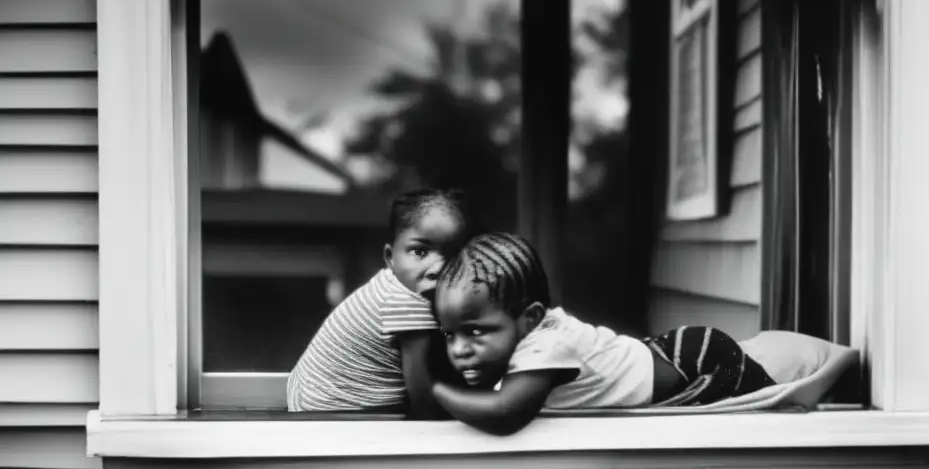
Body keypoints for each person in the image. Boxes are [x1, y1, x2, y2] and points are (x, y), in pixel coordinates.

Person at [431, 232, 776, 435]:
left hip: (697, 361)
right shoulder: (527, 340)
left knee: (774, 409)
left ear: (530, 318)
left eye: (475, 332)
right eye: (450, 335)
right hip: (657, 353)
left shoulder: (548, 344)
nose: (460, 349)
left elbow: (505, 413)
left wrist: (436, 393)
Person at [287, 188, 473, 415]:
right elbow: (421, 396)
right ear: (390, 257)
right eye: (420, 251)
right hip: (340, 413)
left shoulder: (393, 283)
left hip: (309, 395)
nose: (438, 268)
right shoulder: (408, 302)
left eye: (452, 254)